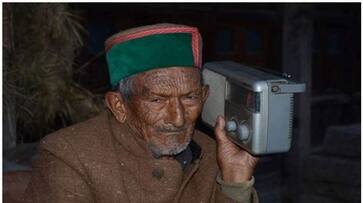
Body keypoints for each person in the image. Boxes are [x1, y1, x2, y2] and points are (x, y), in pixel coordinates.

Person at [24, 23, 259, 202]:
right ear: (119, 105)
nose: (178, 118)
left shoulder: (211, 153)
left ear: (205, 96)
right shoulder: (69, 156)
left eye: (190, 97)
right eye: (157, 100)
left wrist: (235, 180)